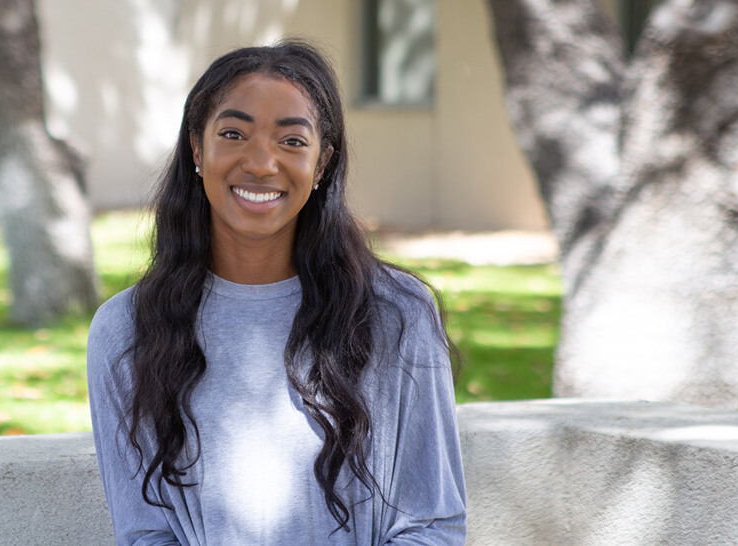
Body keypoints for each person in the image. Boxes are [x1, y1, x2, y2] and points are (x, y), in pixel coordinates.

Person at [86, 40, 466, 545]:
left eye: (291, 141)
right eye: (233, 134)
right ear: (198, 149)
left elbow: (432, 525)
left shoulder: (397, 313)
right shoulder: (125, 331)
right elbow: (145, 533)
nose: (262, 163)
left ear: (323, 162)